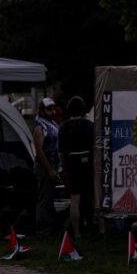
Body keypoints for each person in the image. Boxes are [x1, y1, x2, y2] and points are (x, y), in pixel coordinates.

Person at [57, 96, 94, 238]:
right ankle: (99, 229)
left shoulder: (63, 127)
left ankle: (77, 232)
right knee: (93, 196)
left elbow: (61, 152)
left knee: (74, 199)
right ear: (83, 109)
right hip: (88, 165)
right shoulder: (90, 126)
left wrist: (65, 169)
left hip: (72, 165)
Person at [33, 97, 61, 231]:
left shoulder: (53, 124)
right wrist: (49, 169)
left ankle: (50, 223)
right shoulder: (39, 127)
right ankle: (43, 227)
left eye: (53, 108)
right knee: (44, 196)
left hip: (53, 165)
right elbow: (39, 151)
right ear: (42, 110)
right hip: (44, 166)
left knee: (50, 195)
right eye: (49, 109)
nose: (53, 111)